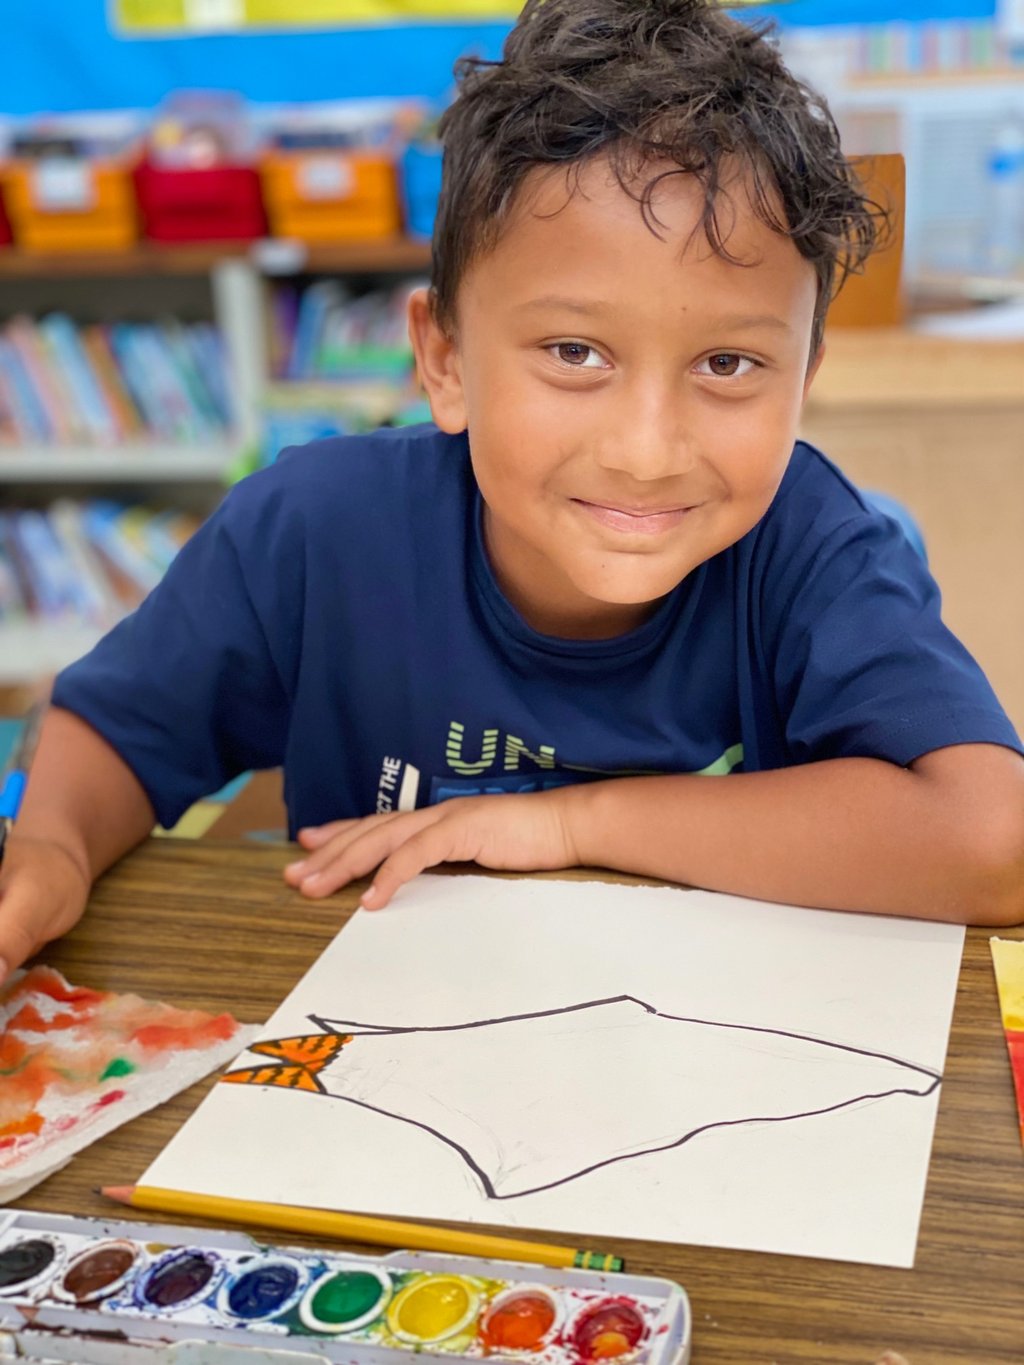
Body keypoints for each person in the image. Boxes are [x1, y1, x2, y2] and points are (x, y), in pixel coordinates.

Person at [2, 0, 1022, 984]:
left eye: (726, 365)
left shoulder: (815, 550)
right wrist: (50, 846)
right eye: (575, 352)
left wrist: (568, 823)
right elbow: (121, 732)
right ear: (443, 359)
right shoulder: (313, 531)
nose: (646, 449)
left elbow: (992, 841)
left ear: (802, 378)